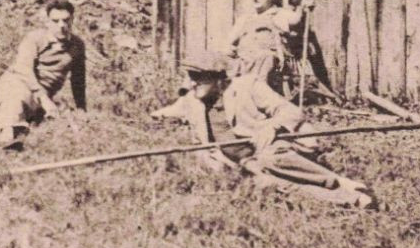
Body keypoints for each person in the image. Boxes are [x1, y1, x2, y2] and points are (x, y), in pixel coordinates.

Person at [154, 51, 371, 208]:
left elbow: (291, 111)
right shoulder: (193, 100)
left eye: (198, 79)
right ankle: (354, 199)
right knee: (273, 184)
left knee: (271, 159)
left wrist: (272, 127)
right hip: (243, 163)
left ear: (218, 79)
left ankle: (340, 181)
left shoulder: (247, 86)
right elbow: (171, 110)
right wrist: (158, 116)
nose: (192, 84)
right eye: (191, 78)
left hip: (270, 148)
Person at [0, 0, 87, 150]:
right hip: (19, 81)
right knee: (17, 96)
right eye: (55, 21)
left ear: (73, 19)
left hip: (43, 93)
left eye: (66, 20)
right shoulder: (35, 38)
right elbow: (24, 68)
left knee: (30, 110)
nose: (61, 25)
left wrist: (82, 109)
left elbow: (78, 79)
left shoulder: (77, 45)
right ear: (47, 22)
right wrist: (42, 97)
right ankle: (6, 138)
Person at [226, 0, 314, 94]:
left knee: (264, 58)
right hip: (245, 61)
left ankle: (256, 94)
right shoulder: (245, 19)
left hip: (268, 62)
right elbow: (230, 43)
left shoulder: (279, 14)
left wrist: (302, 8)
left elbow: (295, 20)